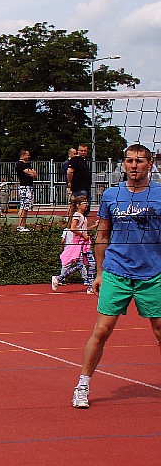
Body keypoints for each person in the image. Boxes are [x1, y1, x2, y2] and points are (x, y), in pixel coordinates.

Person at [72, 145, 161, 409]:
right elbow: (102, 236)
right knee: (101, 330)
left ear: (150, 164)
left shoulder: (159, 194)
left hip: (152, 273)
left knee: (159, 331)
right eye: (130, 161)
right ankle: (82, 385)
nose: (134, 165)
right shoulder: (112, 195)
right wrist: (99, 273)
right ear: (124, 164)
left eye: (140, 161)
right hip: (116, 271)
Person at [52, 196, 96, 292]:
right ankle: (59, 278)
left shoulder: (83, 216)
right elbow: (73, 228)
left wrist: (94, 226)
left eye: (87, 203)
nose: (87, 205)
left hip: (84, 244)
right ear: (78, 205)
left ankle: (90, 287)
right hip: (78, 244)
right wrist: (82, 235)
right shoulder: (76, 215)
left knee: (92, 263)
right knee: (80, 265)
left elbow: (83, 229)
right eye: (84, 203)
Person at [16, 150, 38, 231]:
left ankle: (24, 225)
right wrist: (31, 172)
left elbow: (34, 175)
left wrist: (32, 172)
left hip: (29, 186)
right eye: (27, 155)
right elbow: (31, 173)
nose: (29, 157)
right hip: (24, 187)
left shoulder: (28, 164)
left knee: (27, 207)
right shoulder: (20, 164)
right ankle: (20, 225)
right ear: (23, 155)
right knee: (23, 206)